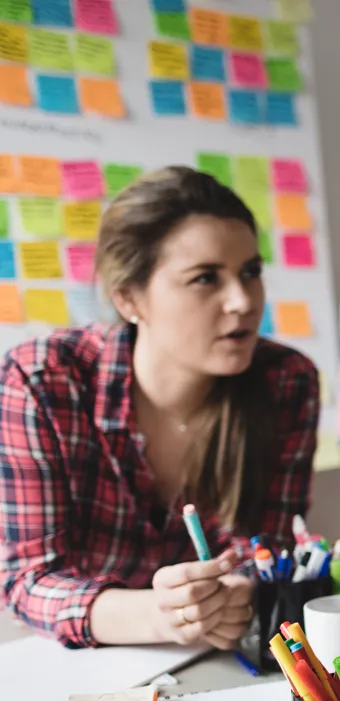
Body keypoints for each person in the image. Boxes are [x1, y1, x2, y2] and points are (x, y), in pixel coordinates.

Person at [0, 167, 319, 649]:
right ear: (130, 298)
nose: (242, 301)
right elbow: (27, 577)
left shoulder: (287, 383)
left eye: (250, 272)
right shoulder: (41, 382)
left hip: (221, 660)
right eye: (205, 278)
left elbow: (265, 548)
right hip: (83, 665)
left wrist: (234, 594)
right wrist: (156, 614)